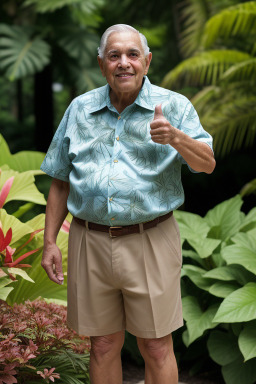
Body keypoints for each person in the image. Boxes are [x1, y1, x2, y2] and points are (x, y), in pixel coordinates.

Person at [40, 24, 215, 384]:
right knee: (102, 344)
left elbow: (206, 164)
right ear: (102, 63)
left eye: (133, 54)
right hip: (90, 239)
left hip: (150, 238)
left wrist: (176, 138)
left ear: (147, 61)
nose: (124, 63)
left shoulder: (174, 106)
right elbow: (59, 180)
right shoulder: (79, 109)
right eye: (115, 55)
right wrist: (48, 242)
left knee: (156, 346)